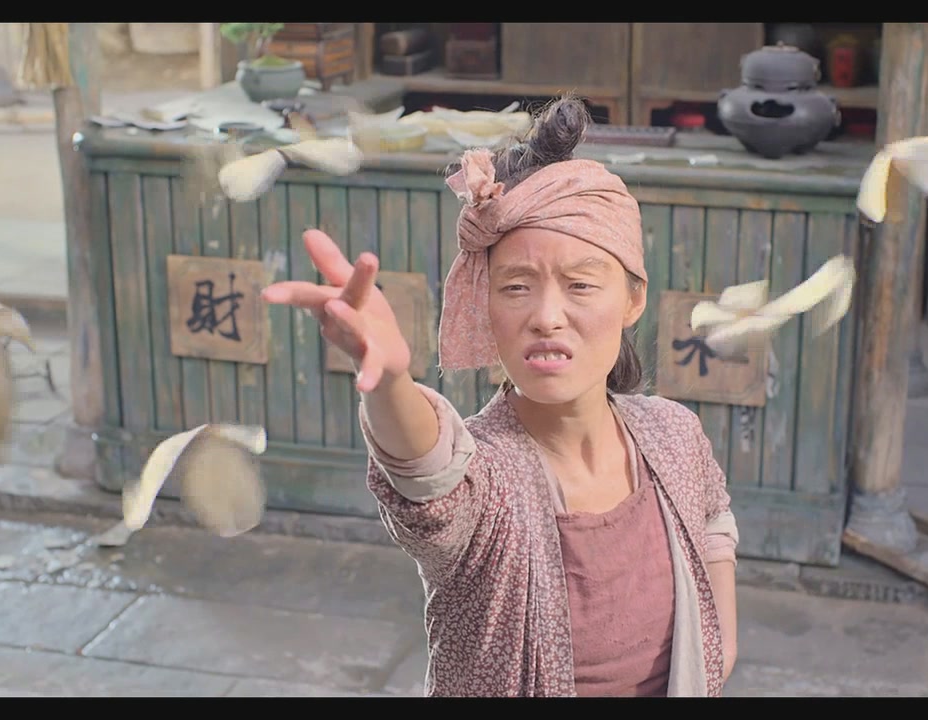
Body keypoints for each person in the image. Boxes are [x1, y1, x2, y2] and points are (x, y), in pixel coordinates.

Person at [261, 96, 739, 697]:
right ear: (484, 302)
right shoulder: (487, 480)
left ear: (633, 299)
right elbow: (429, 475)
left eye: (580, 284)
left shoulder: (674, 435)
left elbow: (712, 520)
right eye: (516, 287)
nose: (546, 316)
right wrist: (388, 381)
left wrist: (717, 649)